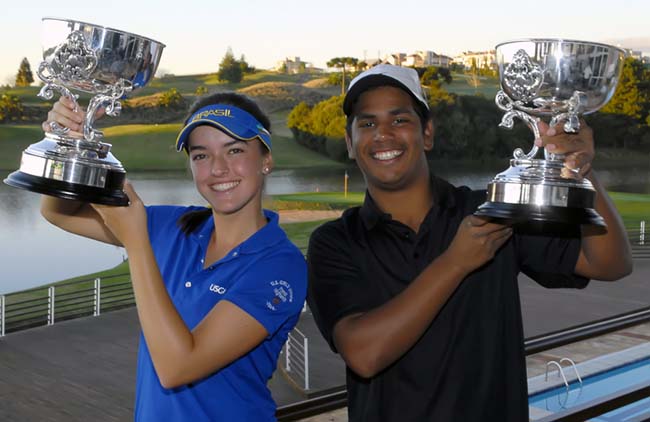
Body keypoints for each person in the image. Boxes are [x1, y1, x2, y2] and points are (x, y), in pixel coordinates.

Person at [306, 64, 633, 421]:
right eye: (367, 124)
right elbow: (364, 355)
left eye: (400, 120)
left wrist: (580, 171)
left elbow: (610, 264)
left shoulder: (494, 210)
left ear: (427, 133)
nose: (383, 134)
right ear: (351, 143)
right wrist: (456, 262)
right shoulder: (334, 242)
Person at [41, 92, 307, 421]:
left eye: (234, 150)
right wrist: (67, 144)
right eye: (201, 156)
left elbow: (178, 367)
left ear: (266, 159)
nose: (218, 169)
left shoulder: (280, 266)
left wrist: (136, 242)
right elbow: (58, 212)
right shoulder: (173, 226)